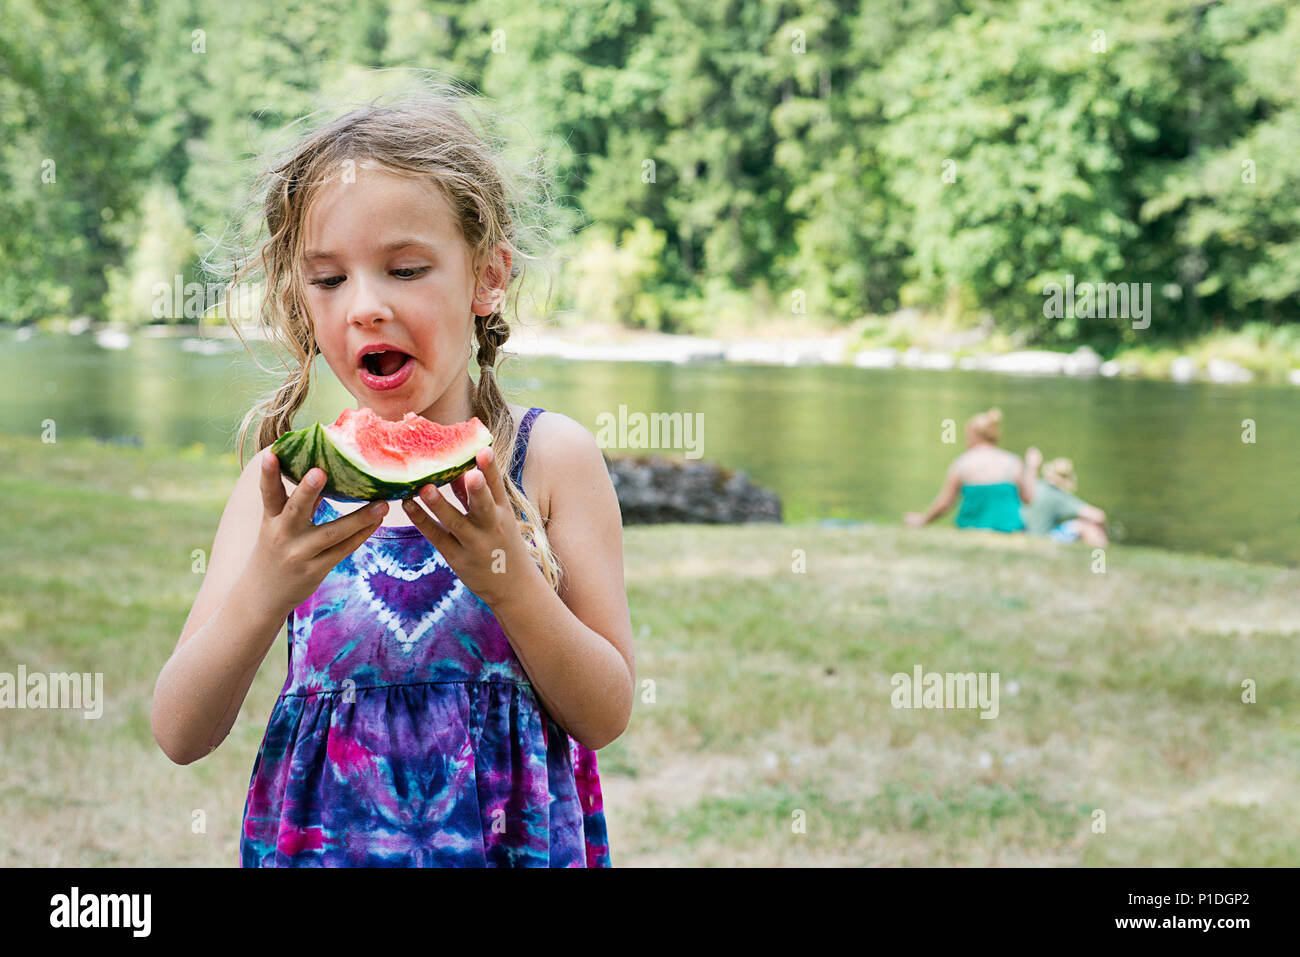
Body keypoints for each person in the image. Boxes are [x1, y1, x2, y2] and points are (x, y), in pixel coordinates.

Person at [150, 81, 634, 867]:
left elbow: (606, 713)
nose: (364, 306)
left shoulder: (550, 460)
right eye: (329, 279)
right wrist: (266, 586)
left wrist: (508, 577)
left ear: (488, 275)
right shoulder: (280, 487)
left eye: (405, 269)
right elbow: (180, 730)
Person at [904, 407, 1039, 533]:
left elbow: (945, 503)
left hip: (970, 527)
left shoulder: (962, 463)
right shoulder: (1013, 462)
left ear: (973, 436)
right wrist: (1032, 467)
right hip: (1009, 529)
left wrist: (922, 520)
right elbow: (1028, 498)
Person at [1021, 457, 1109, 547]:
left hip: (1024, 533)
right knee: (1087, 527)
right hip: (1043, 538)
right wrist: (1105, 531)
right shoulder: (1058, 495)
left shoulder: (1035, 485)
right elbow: (1099, 516)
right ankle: (1102, 555)